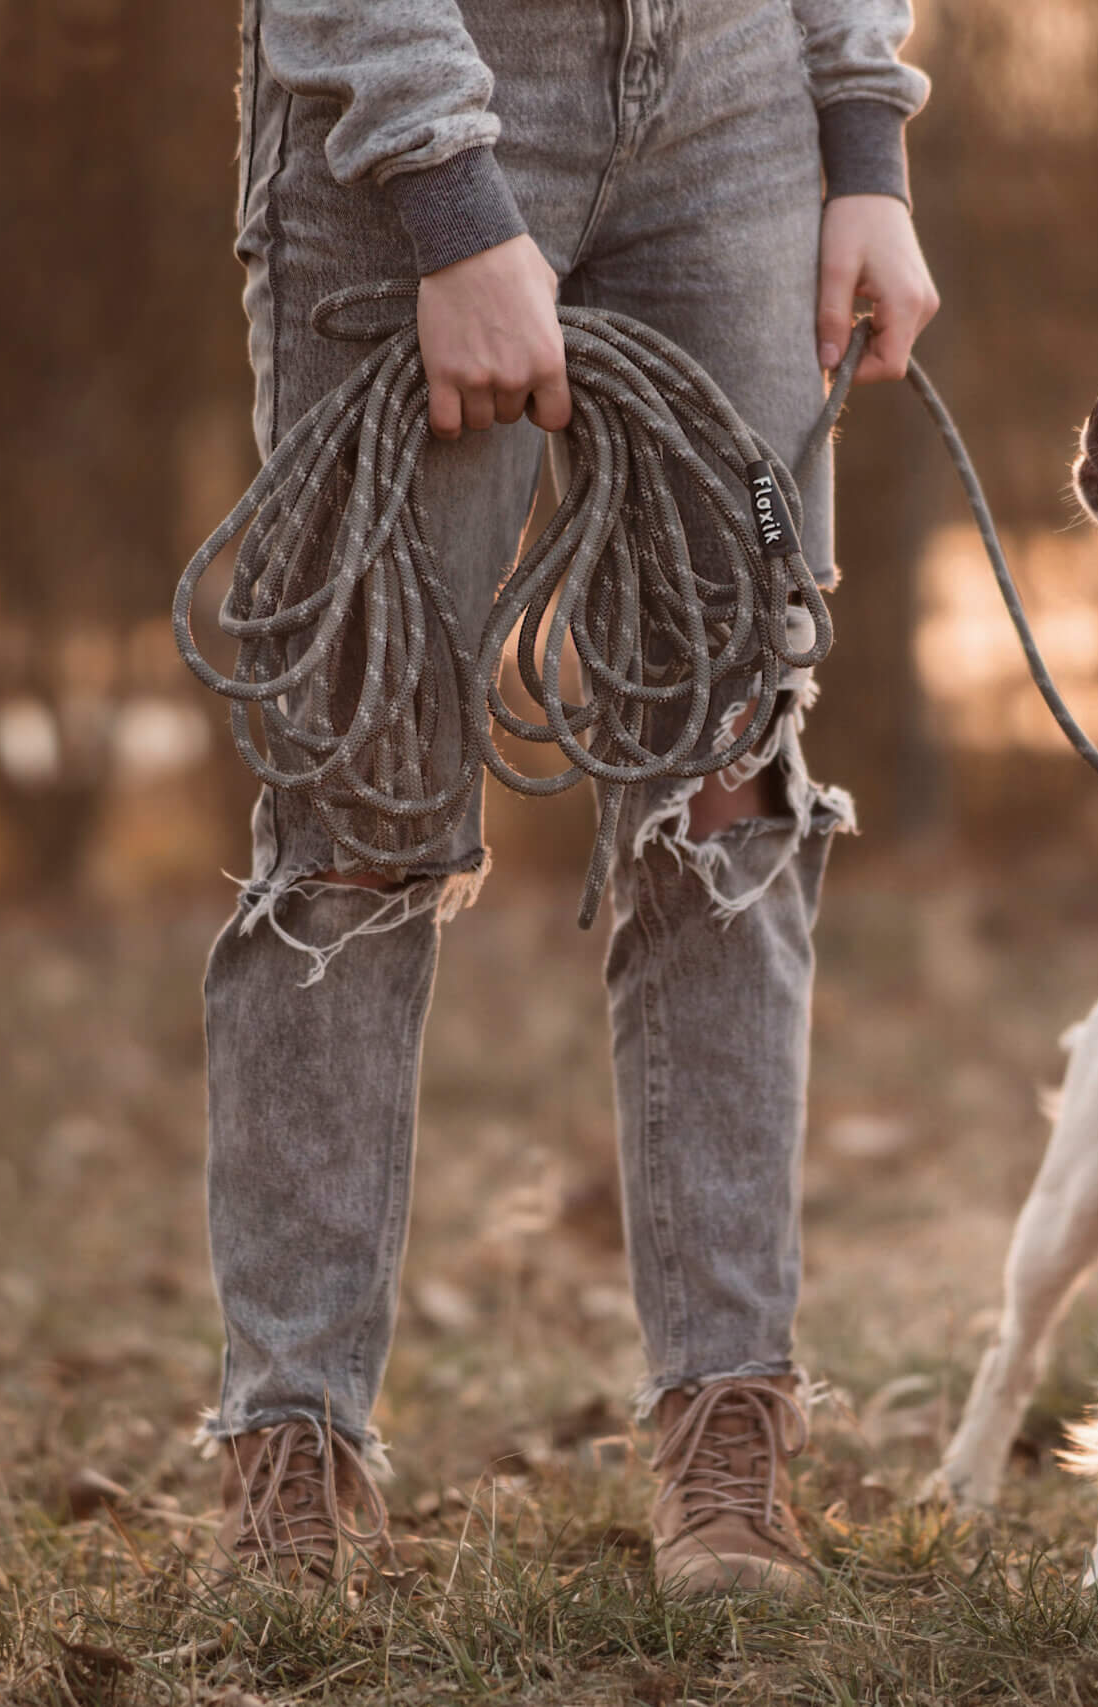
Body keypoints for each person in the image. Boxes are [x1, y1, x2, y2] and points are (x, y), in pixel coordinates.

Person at [199, 0, 939, 1599]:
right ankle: (294, 1445)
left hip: (739, 102)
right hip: (411, 80)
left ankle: (727, 1427)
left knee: (727, 771)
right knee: (365, 776)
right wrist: (449, 193)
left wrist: (861, 133)